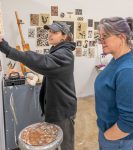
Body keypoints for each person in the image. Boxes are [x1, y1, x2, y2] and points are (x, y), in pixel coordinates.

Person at [0, 22, 77, 150]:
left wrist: (7, 49)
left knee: (66, 145)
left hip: (63, 110)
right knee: (55, 140)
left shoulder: (64, 54)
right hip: (56, 107)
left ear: (64, 36)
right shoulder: (57, 50)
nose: (50, 34)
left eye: (55, 32)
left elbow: (41, 61)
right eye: (50, 31)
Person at [94, 17, 133, 150]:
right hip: (113, 131)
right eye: (100, 37)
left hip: (124, 138)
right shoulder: (118, 59)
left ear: (122, 37)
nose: (101, 41)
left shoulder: (129, 71)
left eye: (105, 36)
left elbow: (130, 122)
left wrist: (108, 136)